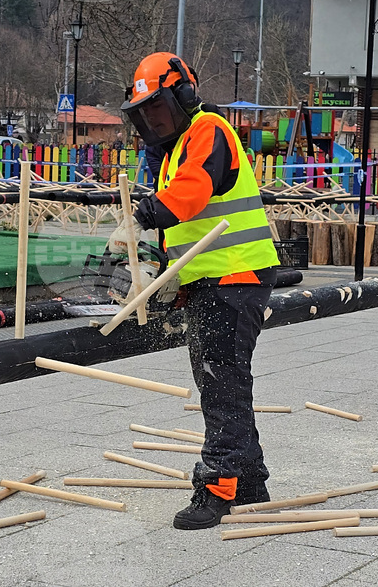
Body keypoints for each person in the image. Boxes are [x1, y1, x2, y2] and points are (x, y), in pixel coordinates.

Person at [109, 52, 281, 530]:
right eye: (145, 115)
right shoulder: (175, 148)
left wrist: (143, 215)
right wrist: (173, 276)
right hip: (215, 277)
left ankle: (217, 488)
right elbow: (185, 232)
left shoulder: (207, 130)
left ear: (184, 95)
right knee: (220, 380)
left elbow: (191, 195)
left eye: (159, 109)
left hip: (238, 274)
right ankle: (249, 481)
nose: (153, 122)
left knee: (220, 382)